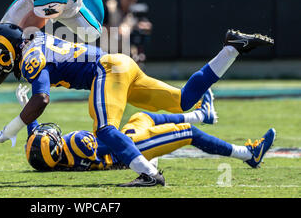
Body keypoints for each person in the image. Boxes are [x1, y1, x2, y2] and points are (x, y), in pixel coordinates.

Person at [0, 22, 274, 186]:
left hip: (108, 70)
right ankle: (232, 49)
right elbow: (6, 67)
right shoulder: (33, 46)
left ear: (6, 52)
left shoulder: (32, 57)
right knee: (183, 100)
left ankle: (149, 174)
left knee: (104, 129)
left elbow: (42, 97)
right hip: (119, 64)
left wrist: (11, 128)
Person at [17, 85, 276, 186]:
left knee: (143, 117)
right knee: (187, 134)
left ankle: (201, 114)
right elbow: (110, 144)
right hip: (129, 148)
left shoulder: (53, 160)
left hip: (122, 144)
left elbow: (41, 147)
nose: (50, 132)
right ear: (54, 148)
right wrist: (140, 159)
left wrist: (29, 114)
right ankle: (248, 155)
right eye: (48, 135)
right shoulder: (76, 144)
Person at [104, 0, 152, 67]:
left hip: (127, 51)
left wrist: (142, 27)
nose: (131, 2)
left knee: (137, 59)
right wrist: (116, 30)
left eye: (133, 0)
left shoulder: (135, 11)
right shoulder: (110, 7)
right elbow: (98, 27)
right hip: (107, 51)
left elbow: (146, 26)